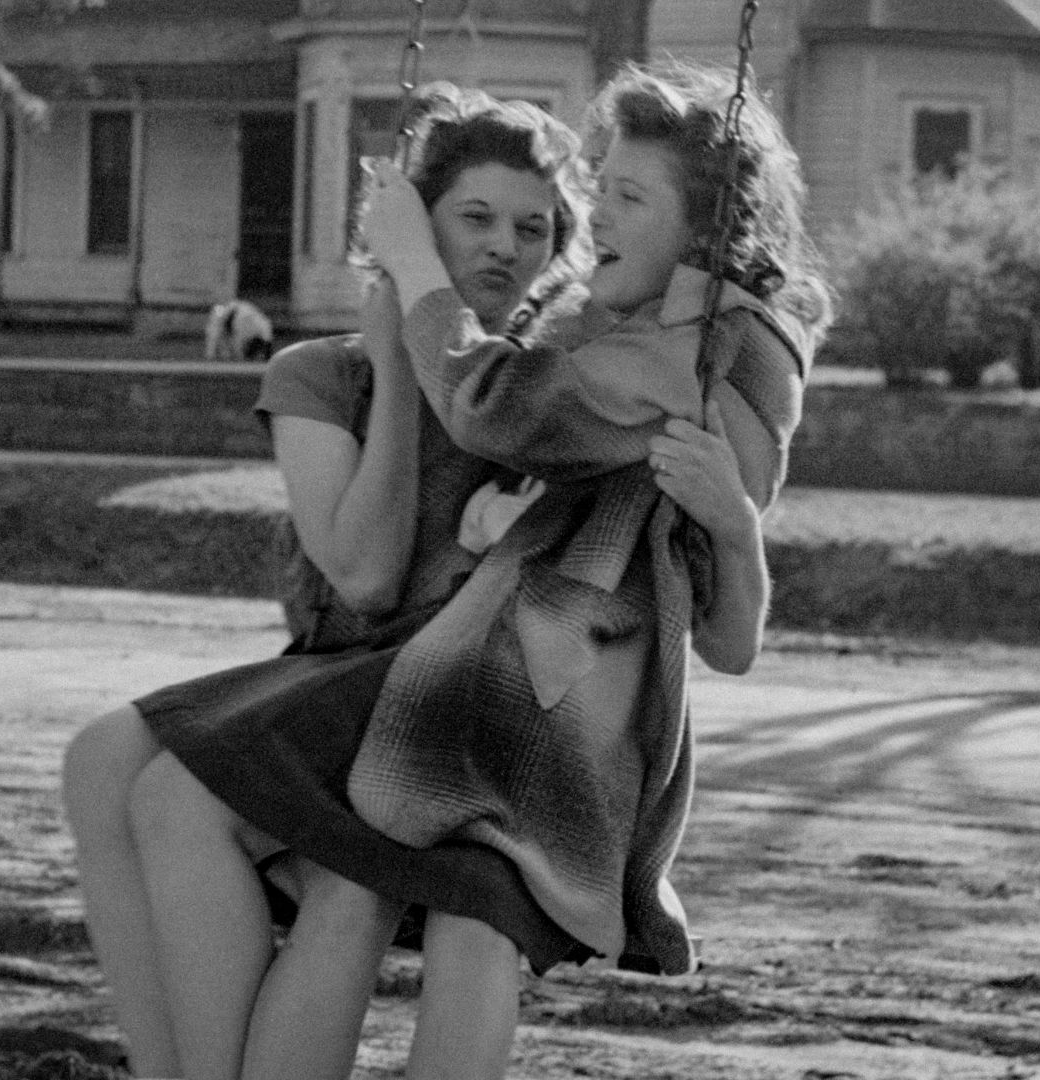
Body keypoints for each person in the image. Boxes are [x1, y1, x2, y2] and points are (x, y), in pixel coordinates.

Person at [129, 59, 832, 1080]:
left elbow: (494, 401)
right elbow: (631, 533)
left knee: (266, 820)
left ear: (708, 229)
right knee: (461, 929)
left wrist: (415, 263)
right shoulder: (638, 331)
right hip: (535, 690)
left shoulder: (690, 352)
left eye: (628, 196)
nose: (599, 215)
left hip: (524, 700)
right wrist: (508, 518)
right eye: (598, 191)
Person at [60, 85, 589, 1080]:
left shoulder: (526, 395)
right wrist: (388, 362)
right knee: (98, 762)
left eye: (533, 227)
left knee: (189, 800)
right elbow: (357, 569)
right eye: (473, 218)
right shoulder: (319, 374)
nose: (506, 246)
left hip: (439, 703)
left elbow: (376, 579)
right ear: (413, 231)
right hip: (332, 678)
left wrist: (411, 367)